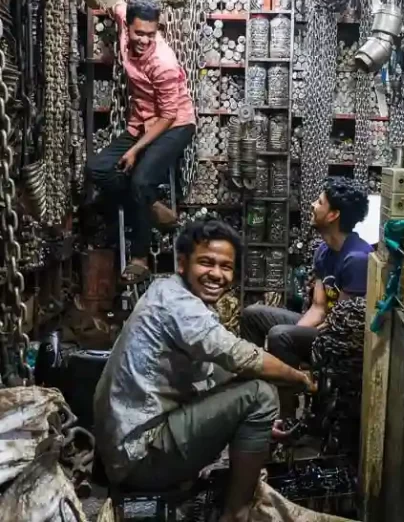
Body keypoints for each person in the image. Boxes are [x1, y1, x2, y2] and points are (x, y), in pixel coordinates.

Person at [94, 219, 315, 522]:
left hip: (129, 445)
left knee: (231, 378)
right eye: (206, 263)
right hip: (139, 455)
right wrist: (302, 380)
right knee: (260, 395)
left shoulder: (167, 289)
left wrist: (255, 431)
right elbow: (243, 356)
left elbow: (216, 372)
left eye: (226, 267)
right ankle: (236, 513)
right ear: (183, 264)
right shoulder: (178, 304)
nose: (216, 274)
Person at [85, 0, 195, 283]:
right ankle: (150, 205)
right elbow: (114, 0)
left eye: (151, 33)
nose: (145, 40)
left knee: (140, 180)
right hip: (142, 121)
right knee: (96, 169)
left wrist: (135, 150)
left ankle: (140, 257)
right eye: (139, 33)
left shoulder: (164, 62)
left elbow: (169, 115)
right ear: (129, 27)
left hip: (175, 125)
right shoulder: (125, 24)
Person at [241, 177, 373, 370]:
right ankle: (258, 379)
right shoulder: (323, 251)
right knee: (252, 315)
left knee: (280, 336)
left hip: (343, 336)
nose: (312, 205)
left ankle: (287, 394)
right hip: (327, 322)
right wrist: (295, 332)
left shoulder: (357, 259)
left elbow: (342, 323)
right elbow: (319, 307)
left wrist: (291, 336)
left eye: (319, 202)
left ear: (333, 215)